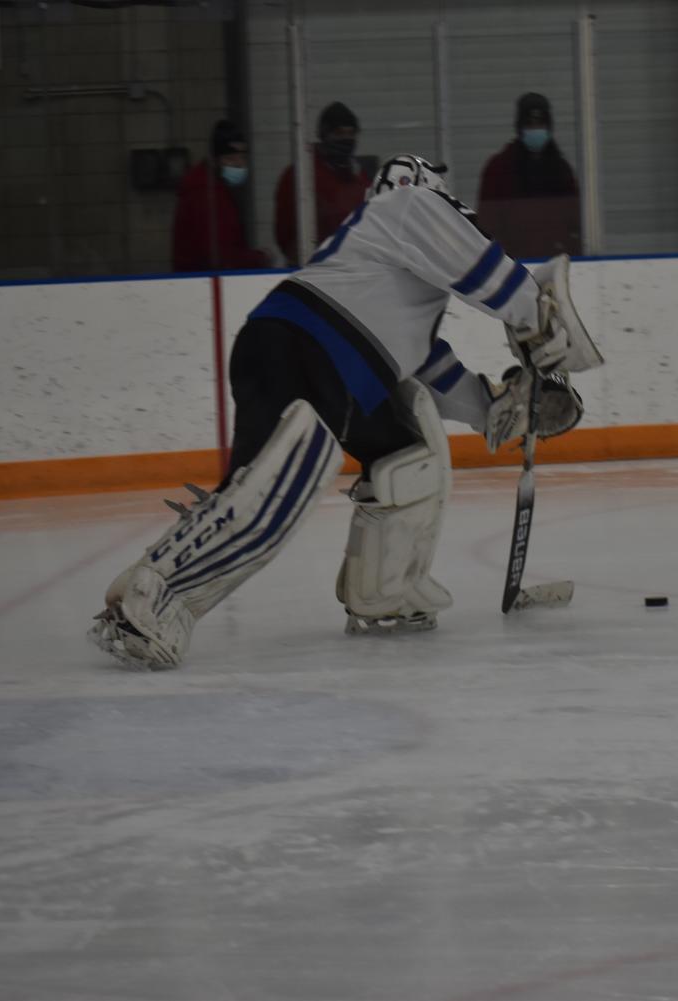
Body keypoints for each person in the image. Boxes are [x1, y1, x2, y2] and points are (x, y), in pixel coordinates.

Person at [91, 155, 603, 671]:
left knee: (410, 457)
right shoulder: (408, 206)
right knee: (271, 491)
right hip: (304, 347)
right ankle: (150, 598)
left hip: (336, 365)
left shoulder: (387, 274)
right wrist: (538, 323)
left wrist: (497, 407)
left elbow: (429, 365)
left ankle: (385, 591)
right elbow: (485, 273)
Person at [477, 92, 581, 257]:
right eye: (530, 124)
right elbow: (488, 226)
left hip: (555, 262)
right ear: (520, 127)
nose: (536, 129)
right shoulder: (499, 168)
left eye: (541, 124)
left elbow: (574, 225)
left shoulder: (562, 171)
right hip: (512, 266)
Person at [274, 101, 375, 263]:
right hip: (314, 267)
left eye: (351, 133)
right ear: (324, 135)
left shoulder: (360, 176)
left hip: (355, 267)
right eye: (339, 133)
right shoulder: (300, 175)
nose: (346, 139)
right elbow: (285, 233)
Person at [172, 120, 270, 272]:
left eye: (242, 157)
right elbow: (220, 257)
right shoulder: (205, 193)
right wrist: (258, 258)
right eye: (230, 158)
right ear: (215, 160)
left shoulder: (216, 189)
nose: (238, 164)